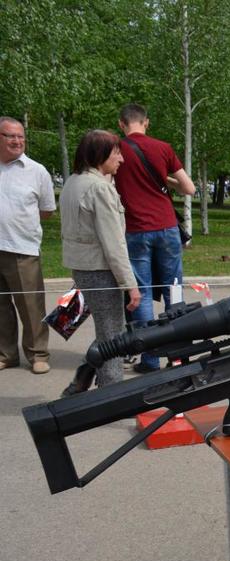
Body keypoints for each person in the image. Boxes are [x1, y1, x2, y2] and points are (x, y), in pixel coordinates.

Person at [114, 103, 195, 373]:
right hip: (167, 226)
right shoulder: (163, 148)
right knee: (174, 289)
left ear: (121, 123)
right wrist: (166, 179)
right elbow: (189, 188)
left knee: (142, 294)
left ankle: (150, 360)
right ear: (146, 122)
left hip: (135, 229)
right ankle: (179, 356)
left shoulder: (115, 150)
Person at [59, 130, 142, 387]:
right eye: (117, 153)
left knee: (107, 329)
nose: (122, 159)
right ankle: (111, 391)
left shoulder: (73, 182)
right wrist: (130, 285)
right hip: (100, 270)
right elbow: (113, 243)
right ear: (100, 154)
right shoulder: (99, 188)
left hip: (84, 267)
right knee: (112, 335)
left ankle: (82, 381)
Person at [0, 116, 56, 374]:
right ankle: (6, 354)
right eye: (10, 136)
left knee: (31, 307)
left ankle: (38, 355)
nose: (17, 141)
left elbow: (47, 210)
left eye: (20, 136)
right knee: (1, 307)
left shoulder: (37, 171)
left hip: (23, 249)